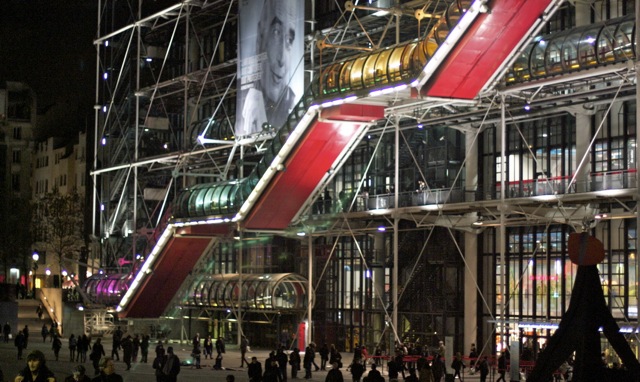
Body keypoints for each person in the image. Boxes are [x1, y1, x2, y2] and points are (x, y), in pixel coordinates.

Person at [239, 0, 300, 136]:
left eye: (289, 39)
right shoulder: (241, 96)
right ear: (260, 38)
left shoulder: (296, 105)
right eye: (276, 32)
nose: (282, 59)